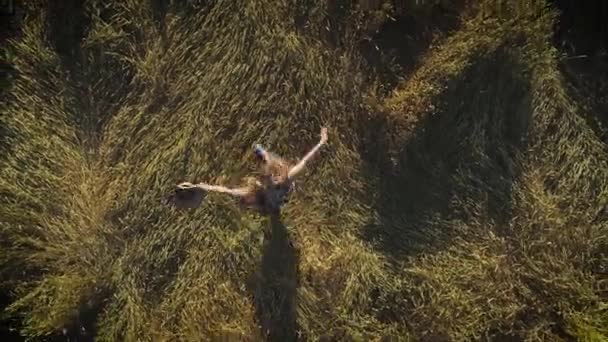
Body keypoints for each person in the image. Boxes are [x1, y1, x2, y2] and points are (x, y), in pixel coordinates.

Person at [167, 127, 329, 214]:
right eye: (265, 180)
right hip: (265, 199)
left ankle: (261, 152)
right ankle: (261, 153)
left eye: (269, 179)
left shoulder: (285, 179)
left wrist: (322, 142)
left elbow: (305, 161)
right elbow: (225, 191)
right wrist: (202, 188)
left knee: (270, 160)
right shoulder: (257, 190)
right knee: (241, 193)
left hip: (273, 201)